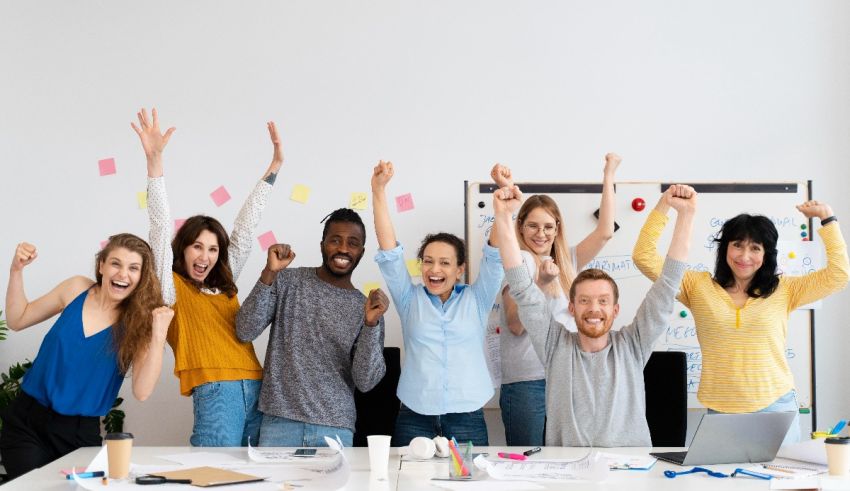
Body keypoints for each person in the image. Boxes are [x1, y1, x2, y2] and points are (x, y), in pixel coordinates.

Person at [633, 195, 849, 444]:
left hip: (776, 407)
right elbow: (643, 256)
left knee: (782, 481)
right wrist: (664, 205)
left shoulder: (786, 289)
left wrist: (828, 218)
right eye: (737, 245)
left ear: (766, 254)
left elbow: (839, 275)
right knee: (727, 483)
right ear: (725, 247)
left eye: (755, 248)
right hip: (722, 411)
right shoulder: (696, 286)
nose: (744, 255)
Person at [493, 183, 695, 446]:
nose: (594, 309)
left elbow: (668, 283)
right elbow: (520, 284)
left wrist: (686, 216)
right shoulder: (555, 347)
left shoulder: (633, 345)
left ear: (615, 310)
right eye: (585, 300)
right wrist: (503, 215)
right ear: (572, 307)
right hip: (570, 473)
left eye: (602, 301)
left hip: (629, 473)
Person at [132, 108, 282, 447]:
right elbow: (158, 228)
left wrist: (273, 169)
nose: (205, 256)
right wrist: (154, 163)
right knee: (213, 475)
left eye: (213, 249)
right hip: (217, 390)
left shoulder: (224, 283)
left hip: (258, 386)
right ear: (182, 250)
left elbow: (244, 230)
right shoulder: (169, 287)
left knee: (258, 480)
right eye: (197, 247)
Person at [0, 234, 172, 479]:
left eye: (133, 268)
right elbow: (18, 319)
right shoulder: (76, 288)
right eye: (116, 263)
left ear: (141, 277)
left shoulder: (139, 324)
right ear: (101, 265)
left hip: (78, 434)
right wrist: (16, 270)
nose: (123, 274)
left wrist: (158, 335)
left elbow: (142, 391)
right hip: (28, 422)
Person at [370, 160, 504, 447]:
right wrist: (378, 190)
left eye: (445, 263)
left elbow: (495, 255)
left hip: (467, 414)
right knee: (408, 485)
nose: (434, 270)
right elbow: (389, 251)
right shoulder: (409, 299)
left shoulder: (477, 299)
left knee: (470, 483)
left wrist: (502, 206)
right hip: (415, 415)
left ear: (460, 269)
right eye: (428, 261)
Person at [489, 155, 619, 447]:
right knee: (530, 464)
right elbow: (515, 324)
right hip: (527, 382)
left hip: (567, 375)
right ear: (520, 227)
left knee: (568, 463)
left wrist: (608, 174)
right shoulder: (518, 261)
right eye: (533, 226)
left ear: (558, 228)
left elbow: (605, 232)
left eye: (548, 226)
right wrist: (541, 285)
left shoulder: (567, 260)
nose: (541, 234)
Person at [236, 209, 389, 447]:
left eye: (353, 243)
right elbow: (245, 329)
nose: (343, 249)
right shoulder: (287, 281)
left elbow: (366, 381)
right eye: (335, 240)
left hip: (335, 429)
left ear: (361, 252)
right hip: (279, 423)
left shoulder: (367, 308)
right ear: (322, 244)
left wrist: (371, 325)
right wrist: (269, 273)